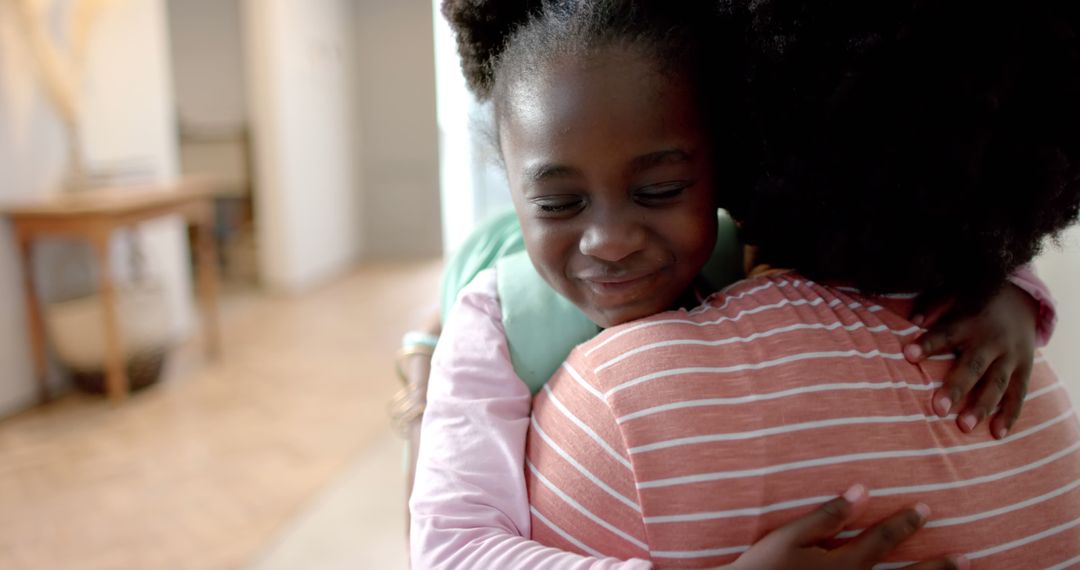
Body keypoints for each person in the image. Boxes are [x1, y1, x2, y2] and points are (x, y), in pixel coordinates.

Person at [407, 1, 1057, 568]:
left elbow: (914, 209)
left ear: (730, 169)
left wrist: (1006, 287)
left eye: (657, 192)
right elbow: (448, 547)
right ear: (514, 189)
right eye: (556, 203)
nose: (610, 239)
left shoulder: (745, 245)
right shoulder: (492, 327)